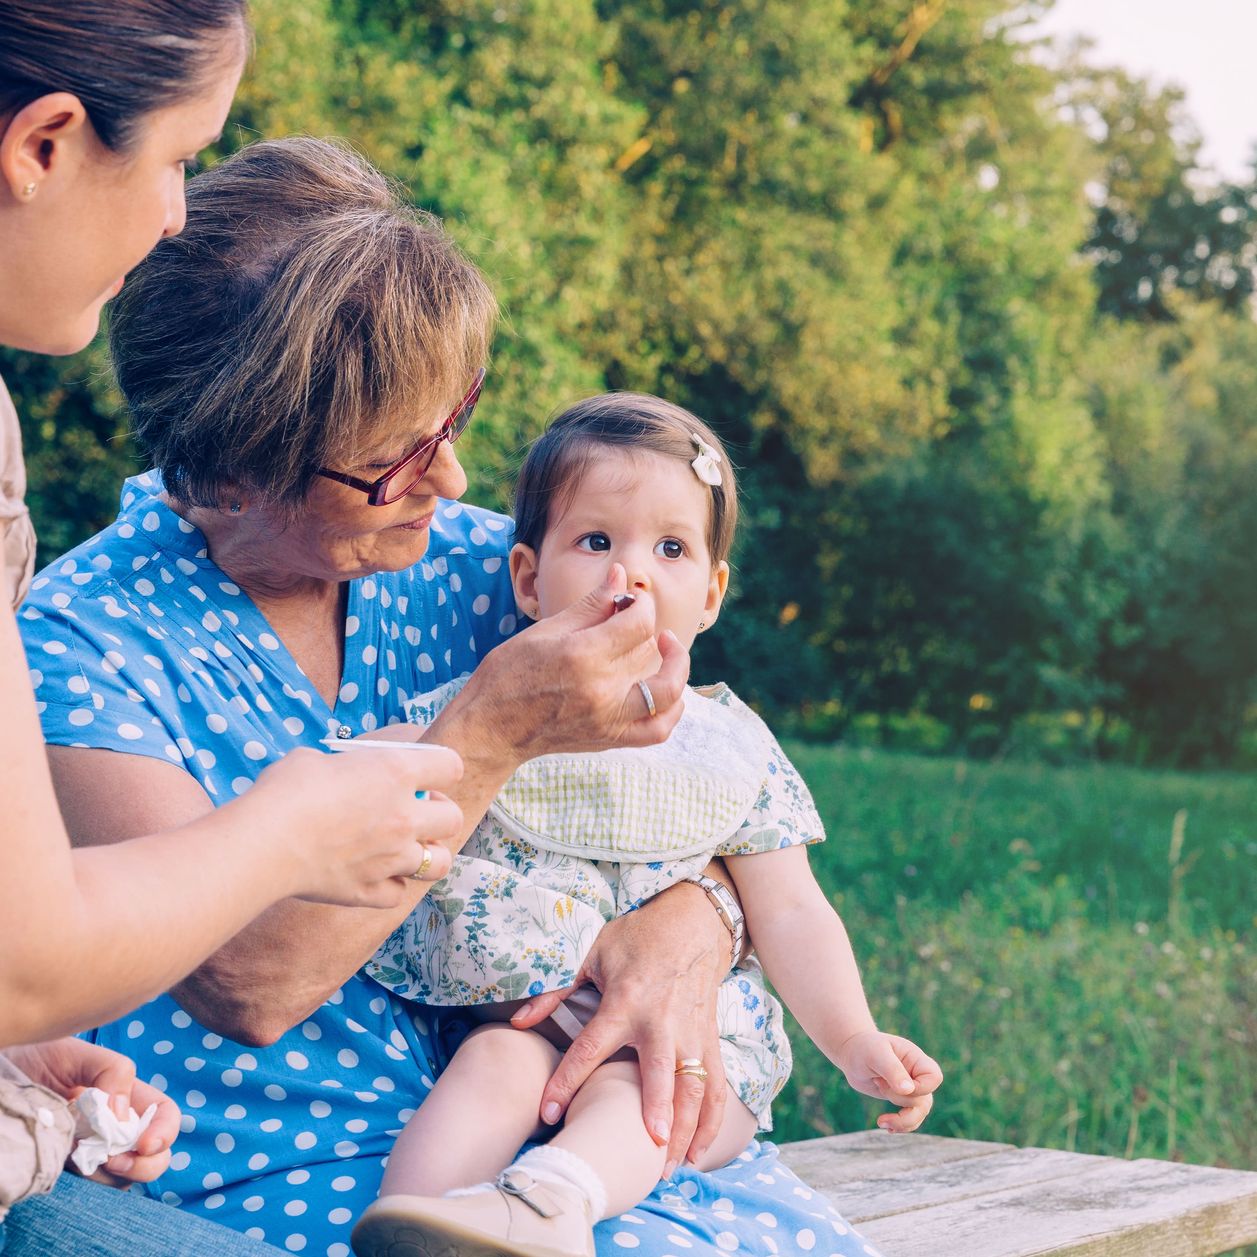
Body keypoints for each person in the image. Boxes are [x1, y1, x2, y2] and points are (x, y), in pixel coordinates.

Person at [17, 137, 829, 1257]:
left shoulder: (491, 567)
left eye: (455, 420)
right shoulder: (81, 643)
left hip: (567, 1151)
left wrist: (695, 921)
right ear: (236, 472)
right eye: (396, 458)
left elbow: (712, 767)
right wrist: (486, 731)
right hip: (284, 1178)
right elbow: (249, 984)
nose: (451, 481)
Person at [0, 6, 462, 1253]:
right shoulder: (89, 628)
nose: (170, 218)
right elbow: (39, 952)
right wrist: (298, 823)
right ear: (42, 144)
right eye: (174, 159)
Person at [353, 396, 941, 1257]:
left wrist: (853, 1037)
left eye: (669, 548)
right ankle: (416, 1220)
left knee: (638, 1095)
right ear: (527, 578)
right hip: (520, 1020)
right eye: (596, 541)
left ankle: (553, 1203)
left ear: (708, 593)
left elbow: (790, 910)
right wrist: (367, 757)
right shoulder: (498, 704)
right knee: (487, 1071)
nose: (628, 573)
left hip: (685, 1050)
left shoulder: (729, 744)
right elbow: (418, 761)